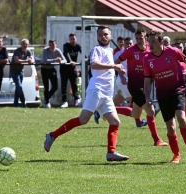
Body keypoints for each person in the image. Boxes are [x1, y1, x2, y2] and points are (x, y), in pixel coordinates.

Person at [44, 26, 129, 162]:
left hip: (106, 94)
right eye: (100, 34)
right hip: (96, 90)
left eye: (106, 34)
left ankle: (111, 152)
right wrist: (114, 66)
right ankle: (52, 135)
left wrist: (121, 74)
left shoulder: (110, 50)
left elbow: (110, 69)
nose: (103, 37)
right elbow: (94, 64)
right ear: (97, 37)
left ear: (110, 36)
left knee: (115, 121)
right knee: (83, 120)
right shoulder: (97, 49)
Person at [143, 31, 186, 163]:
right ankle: (176, 155)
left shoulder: (173, 52)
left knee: (181, 118)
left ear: (161, 42)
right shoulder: (147, 59)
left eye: (153, 41)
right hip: (162, 94)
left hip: (177, 90)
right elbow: (147, 80)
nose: (150, 44)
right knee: (170, 127)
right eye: (149, 41)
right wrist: (147, 97)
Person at [115, 29, 168, 146]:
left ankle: (109, 110)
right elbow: (117, 61)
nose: (139, 41)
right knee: (150, 110)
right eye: (137, 38)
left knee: (135, 114)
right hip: (135, 86)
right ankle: (157, 139)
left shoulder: (151, 48)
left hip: (146, 85)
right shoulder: (131, 51)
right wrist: (122, 75)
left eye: (141, 38)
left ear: (146, 38)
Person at [113, 37, 147, 127]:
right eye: (127, 43)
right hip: (124, 80)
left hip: (129, 81)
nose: (129, 45)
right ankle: (106, 110)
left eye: (130, 43)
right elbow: (116, 65)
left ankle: (102, 110)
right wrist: (121, 75)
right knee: (135, 102)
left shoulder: (134, 52)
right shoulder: (119, 54)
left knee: (119, 100)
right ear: (123, 44)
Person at [41, 39, 66, 108]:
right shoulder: (45, 50)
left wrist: (60, 61)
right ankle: (47, 102)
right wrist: (55, 60)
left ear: (56, 45)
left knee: (55, 87)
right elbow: (45, 60)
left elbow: (65, 60)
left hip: (52, 69)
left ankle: (46, 99)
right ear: (48, 45)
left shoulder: (57, 50)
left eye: (53, 45)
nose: (52, 46)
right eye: (50, 45)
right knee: (46, 87)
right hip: (44, 69)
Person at [10, 39, 35, 107]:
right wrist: (27, 61)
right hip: (14, 72)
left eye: (26, 44)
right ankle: (23, 102)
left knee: (18, 88)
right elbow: (16, 60)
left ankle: (16, 103)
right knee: (20, 87)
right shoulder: (17, 51)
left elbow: (32, 59)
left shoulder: (28, 51)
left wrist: (31, 61)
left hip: (21, 72)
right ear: (21, 44)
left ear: (28, 44)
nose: (25, 45)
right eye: (23, 44)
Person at [60, 33, 82, 108]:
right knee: (64, 85)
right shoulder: (65, 45)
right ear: (69, 39)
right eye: (71, 39)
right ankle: (64, 101)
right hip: (64, 68)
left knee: (74, 84)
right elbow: (66, 54)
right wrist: (70, 61)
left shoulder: (78, 46)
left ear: (76, 39)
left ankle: (76, 99)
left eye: (74, 38)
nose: (73, 40)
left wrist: (87, 59)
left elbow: (83, 53)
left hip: (72, 68)